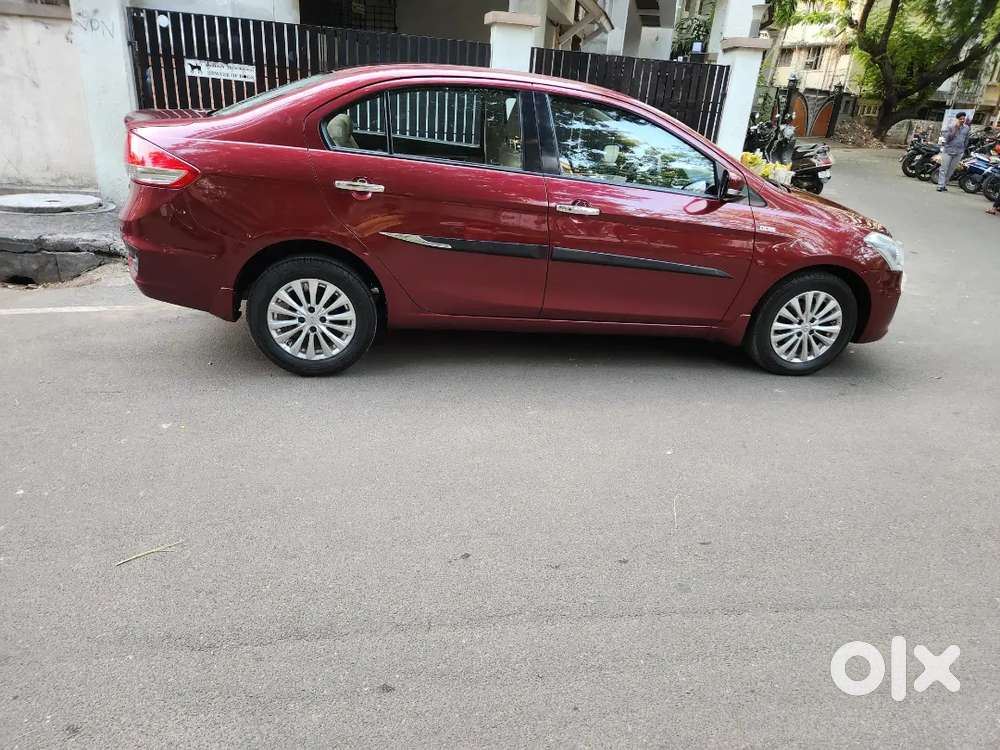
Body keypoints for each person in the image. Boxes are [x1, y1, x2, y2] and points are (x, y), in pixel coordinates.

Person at [937, 112, 971, 192]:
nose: (962, 120)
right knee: (943, 169)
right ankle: (940, 185)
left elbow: (966, 139)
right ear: (957, 119)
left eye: (963, 118)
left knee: (951, 170)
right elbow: (947, 138)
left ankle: (944, 185)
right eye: (961, 119)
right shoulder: (950, 127)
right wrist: (956, 128)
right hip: (948, 150)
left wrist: (964, 148)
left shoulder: (967, 128)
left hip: (959, 152)